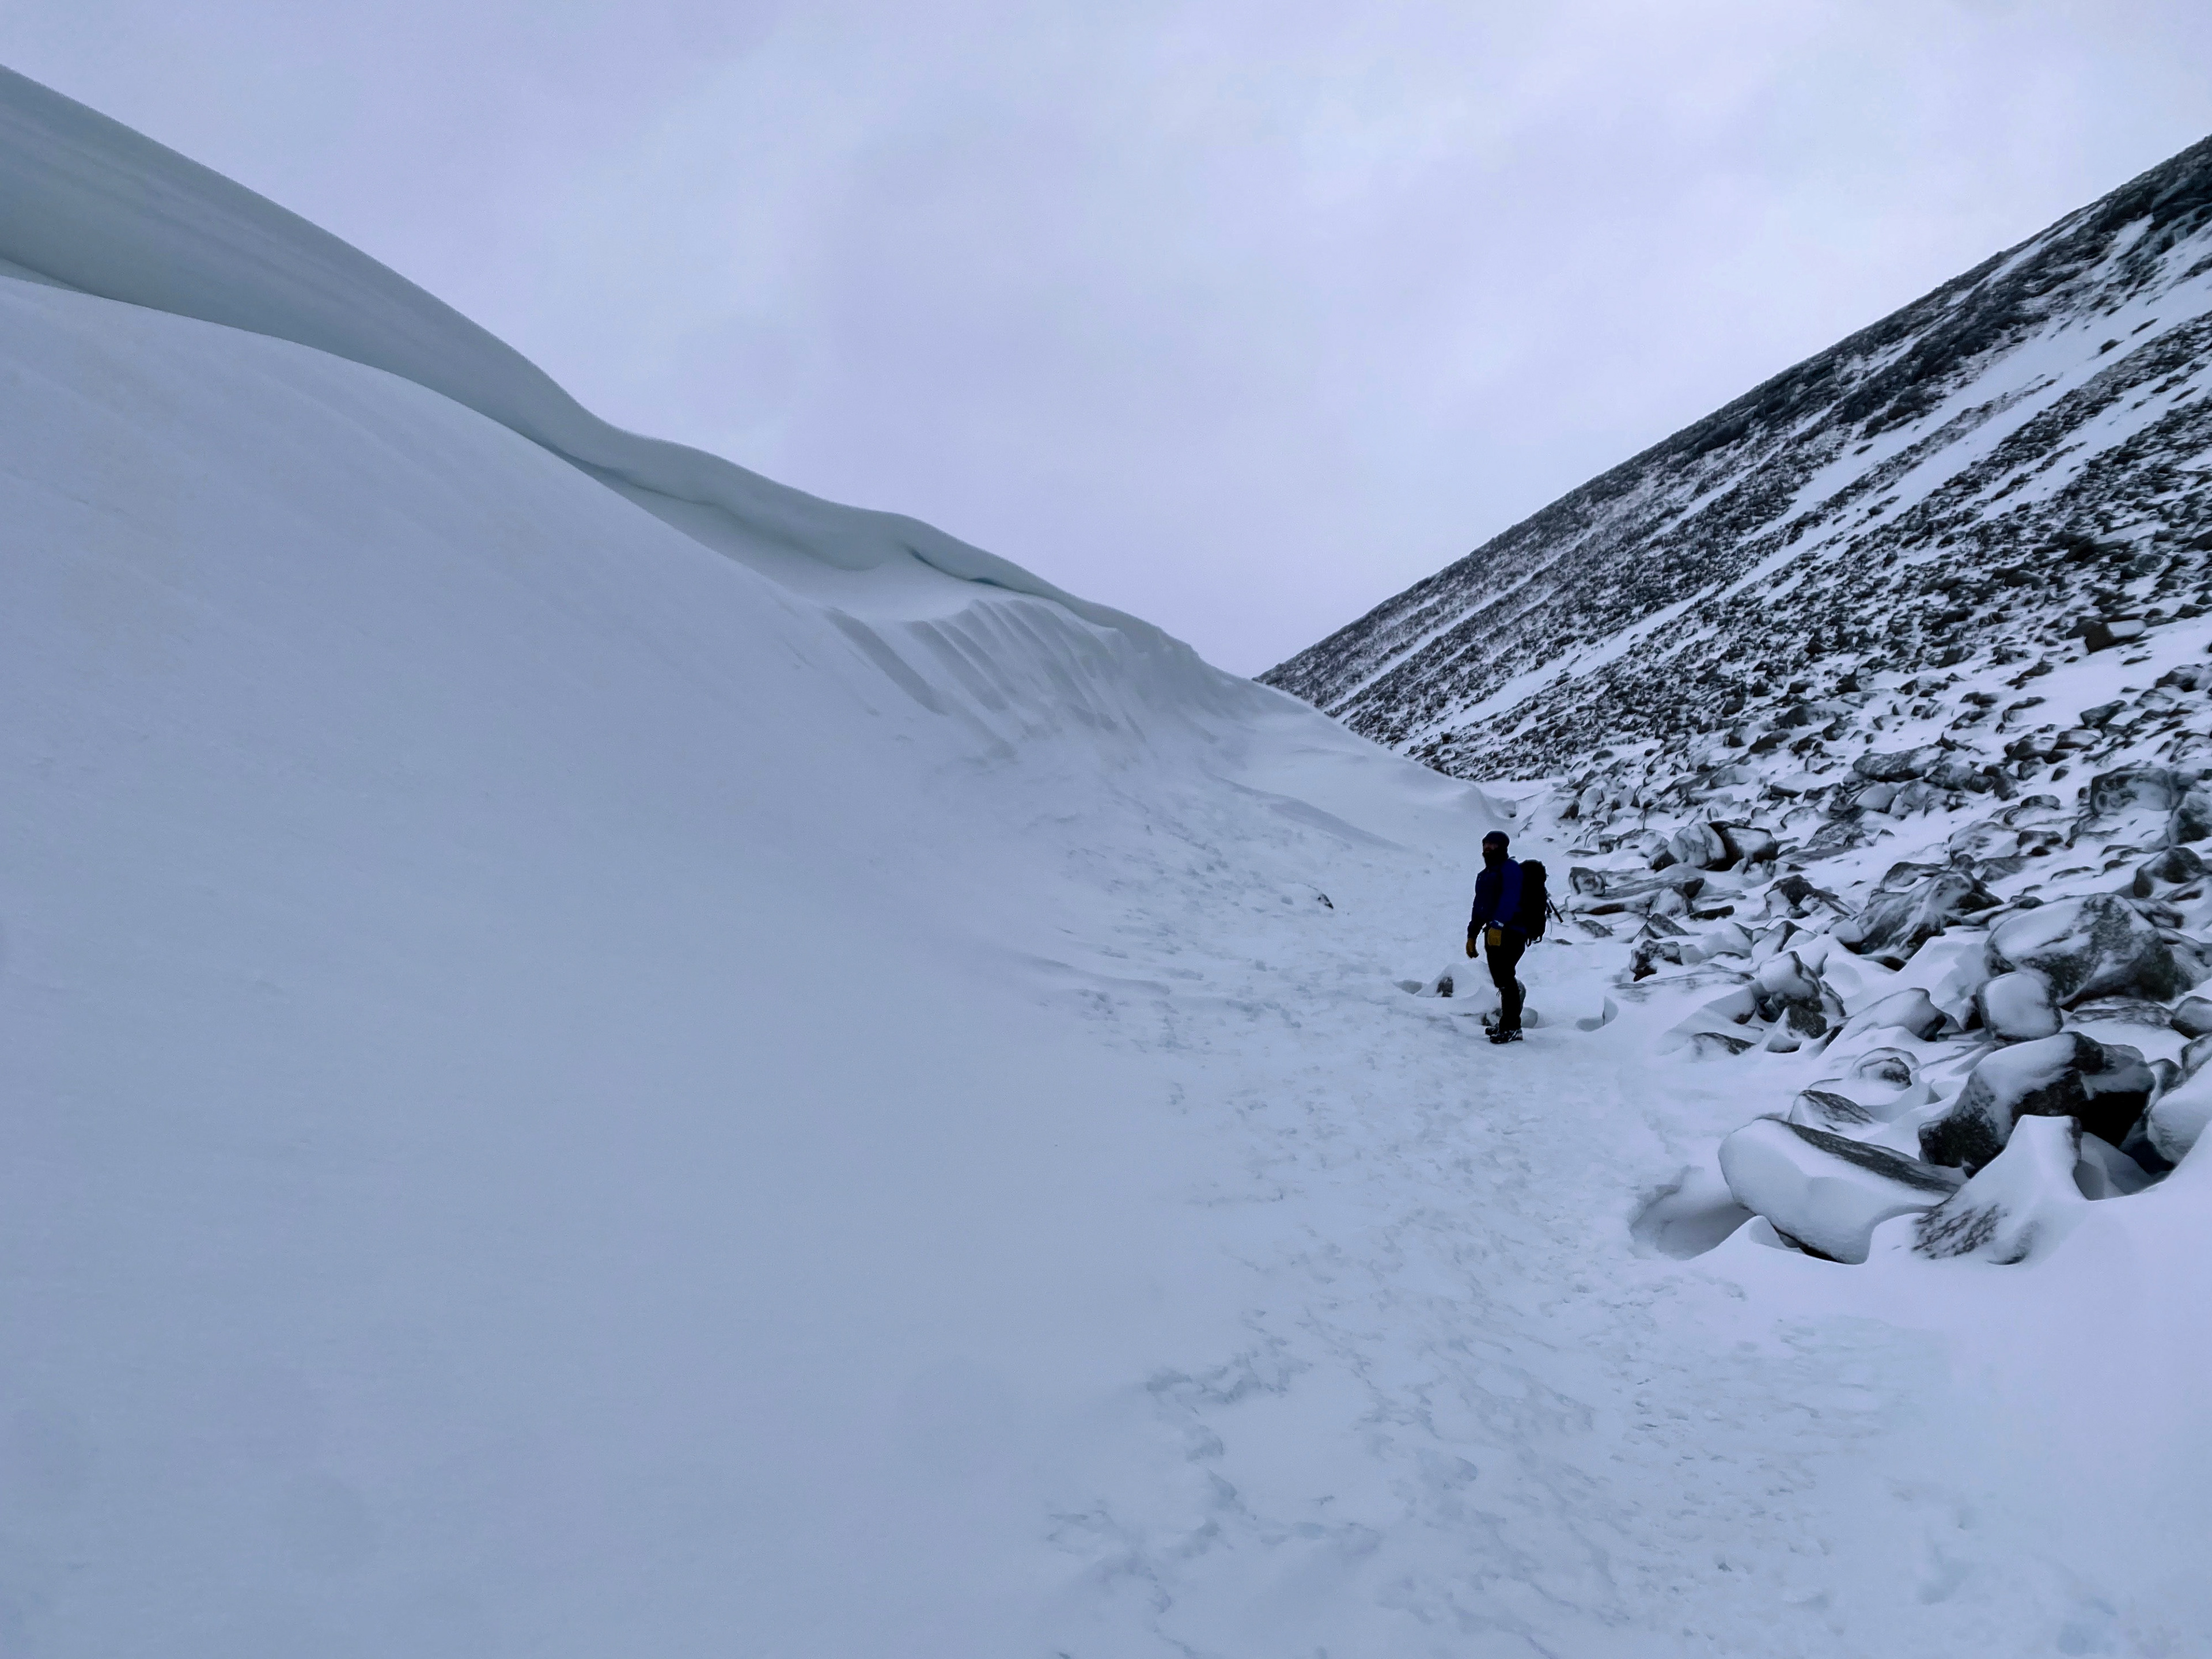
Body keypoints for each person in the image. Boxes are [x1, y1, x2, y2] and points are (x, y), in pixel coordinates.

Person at [1466, 830, 1530, 1044]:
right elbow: (1480, 906)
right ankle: (1507, 1024)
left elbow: (1511, 897)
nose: (1488, 849)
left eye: (1494, 845)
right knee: (1500, 978)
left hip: (1512, 931)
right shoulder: (1485, 875)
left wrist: (1499, 924)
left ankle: (1513, 1027)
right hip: (1493, 932)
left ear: (1503, 847)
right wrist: (1472, 934)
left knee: (1505, 977)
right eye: (1486, 845)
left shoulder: (1510, 869)